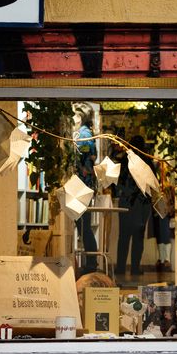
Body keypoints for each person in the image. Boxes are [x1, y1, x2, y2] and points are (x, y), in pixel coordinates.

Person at [115, 135, 152, 279]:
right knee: (138, 238)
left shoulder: (125, 160)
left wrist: (126, 192)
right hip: (141, 205)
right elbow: (152, 184)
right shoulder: (146, 161)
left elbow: (118, 182)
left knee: (123, 237)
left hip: (125, 203)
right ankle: (135, 268)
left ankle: (120, 268)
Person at [73, 104, 100, 273]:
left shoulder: (83, 133)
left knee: (83, 224)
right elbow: (92, 155)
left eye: (76, 115)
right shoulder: (88, 133)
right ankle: (91, 261)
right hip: (86, 183)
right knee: (84, 224)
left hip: (82, 184)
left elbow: (85, 152)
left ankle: (91, 263)